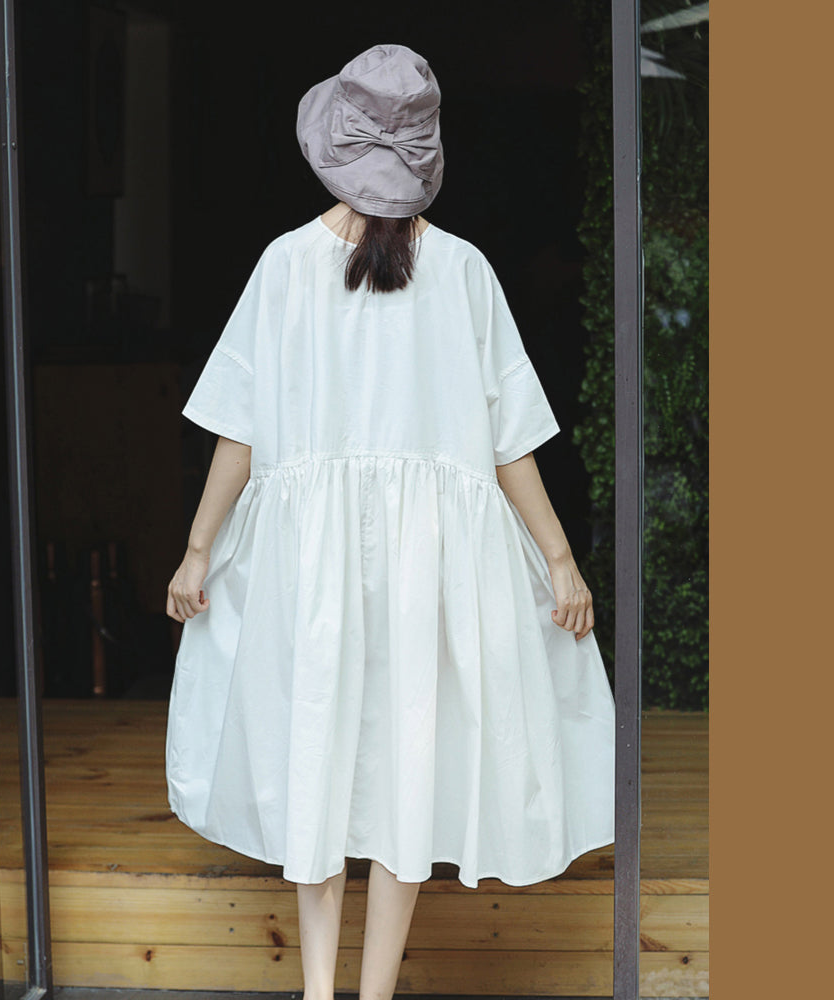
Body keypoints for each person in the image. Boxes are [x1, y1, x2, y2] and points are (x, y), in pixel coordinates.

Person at [164, 43, 614, 1000]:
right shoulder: (463, 270)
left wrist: (199, 550)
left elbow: (240, 431)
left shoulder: (286, 264)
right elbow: (509, 441)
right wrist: (559, 559)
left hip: (307, 566)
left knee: (314, 758)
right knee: (410, 762)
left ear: (331, 147)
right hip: (429, 569)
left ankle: (317, 991)